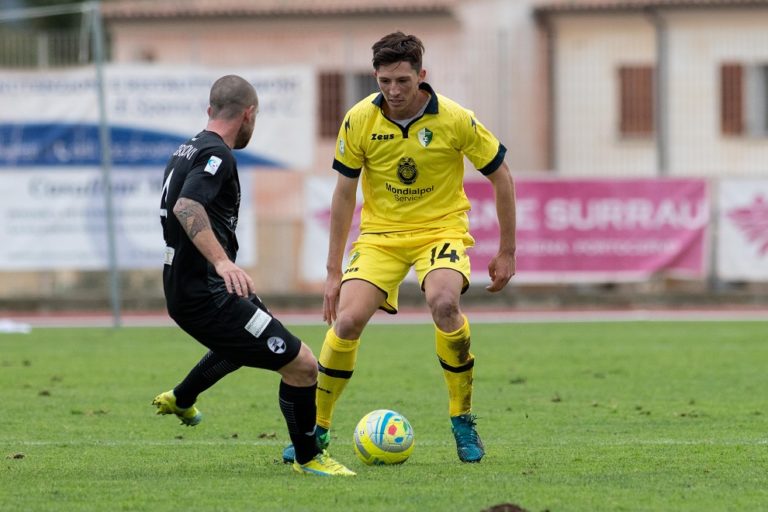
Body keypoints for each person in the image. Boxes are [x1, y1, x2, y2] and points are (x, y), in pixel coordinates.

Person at [283, 32, 516, 464]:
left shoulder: (455, 118)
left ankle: (462, 421)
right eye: (384, 80)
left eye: (402, 81)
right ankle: (318, 428)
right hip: (380, 238)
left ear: (421, 76)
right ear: (376, 76)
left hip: (440, 231)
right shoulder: (359, 119)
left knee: (444, 304)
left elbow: (501, 176)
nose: (393, 90)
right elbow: (343, 194)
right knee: (348, 321)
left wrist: (507, 251)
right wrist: (333, 271)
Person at [154, 74, 354, 476]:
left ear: (210, 110)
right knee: (302, 366)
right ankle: (309, 458)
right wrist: (223, 263)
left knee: (241, 344)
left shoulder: (186, 148)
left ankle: (182, 396)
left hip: (192, 287)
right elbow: (187, 207)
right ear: (249, 115)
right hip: (207, 293)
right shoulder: (218, 155)